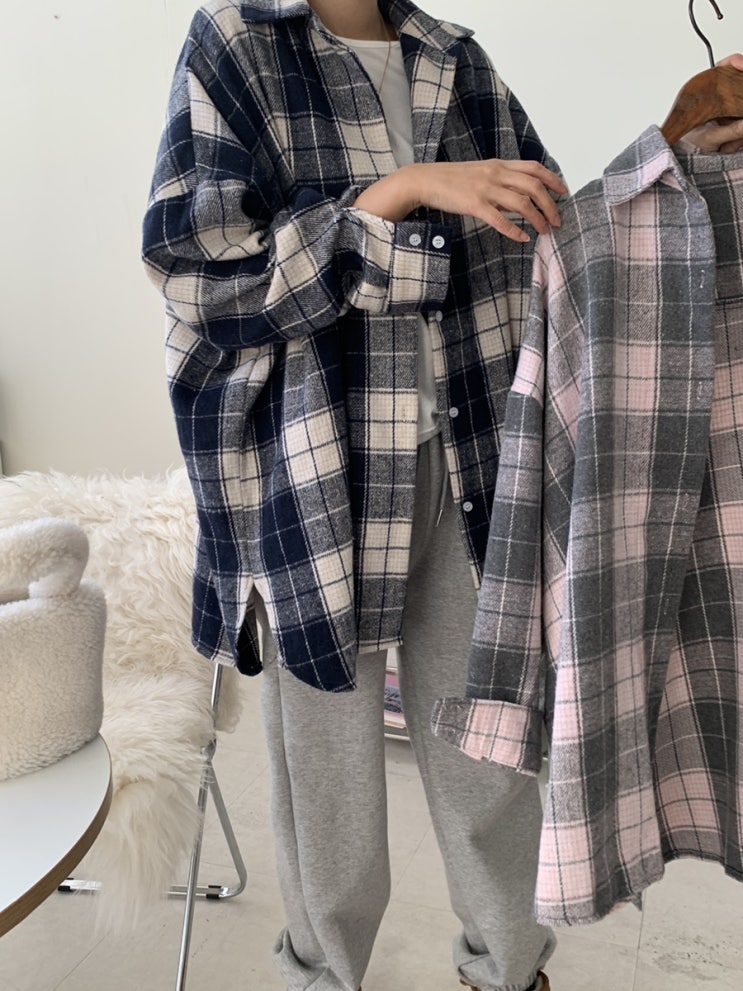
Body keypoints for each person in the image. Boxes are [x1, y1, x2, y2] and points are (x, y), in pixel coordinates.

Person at [141, 0, 743, 987]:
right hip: (312, 473)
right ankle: (322, 976)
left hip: (469, 461)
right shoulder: (236, 44)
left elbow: (548, 228)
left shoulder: (452, 58)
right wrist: (404, 191)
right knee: (328, 778)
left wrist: (671, 150)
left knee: (487, 757)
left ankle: (507, 971)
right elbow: (197, 271)